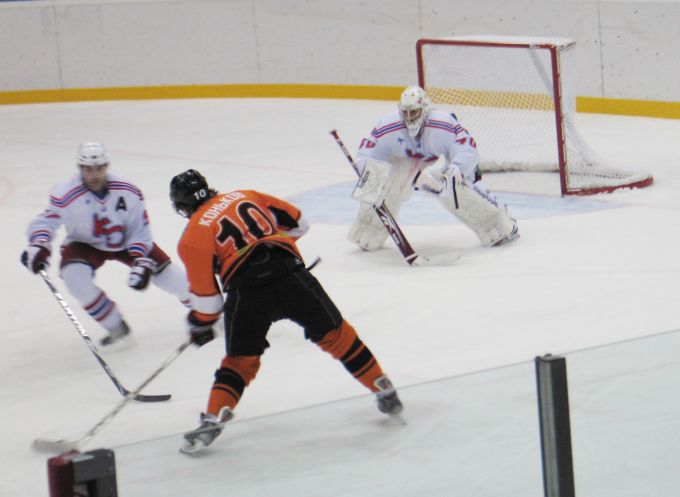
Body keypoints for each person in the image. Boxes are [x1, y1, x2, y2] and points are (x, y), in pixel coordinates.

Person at [169, 169, 403, 454]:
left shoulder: (192, 236)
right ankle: (382, 386)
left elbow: (208, 302)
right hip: (292, 277)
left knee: (240, 362)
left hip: (248, 294)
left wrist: (200, 324)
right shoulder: (245, 195)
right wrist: (275, 244)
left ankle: (212, 419)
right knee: (337, 336)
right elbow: (299, 223)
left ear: (181, 206)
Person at [21, 142, 191, 346]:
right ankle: (116, 327)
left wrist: (140, 259)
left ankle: (208, 312)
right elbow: (46, 221)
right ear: (80, 168)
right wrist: (39, 243)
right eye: (88, 169)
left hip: (126, 241)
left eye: (99, 168)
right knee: (74, 277)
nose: (94, 174)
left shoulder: (127, 190)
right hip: (84, 243)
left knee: (169, 276)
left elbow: (140, 229)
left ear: (106, 166)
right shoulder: (65, 193)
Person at [348, 85, 519, 251]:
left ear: (425, 109)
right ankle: (368, 230)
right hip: (402, 163)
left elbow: (467, 149)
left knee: (453, 185)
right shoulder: (387, 125)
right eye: (405, 113)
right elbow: (368, 153)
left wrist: (457, 169)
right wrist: (370, 176)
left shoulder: (443, 123)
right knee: (386, 181)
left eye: (414, 112)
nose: (409, 118)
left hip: (433, 164)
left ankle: (497, 222)